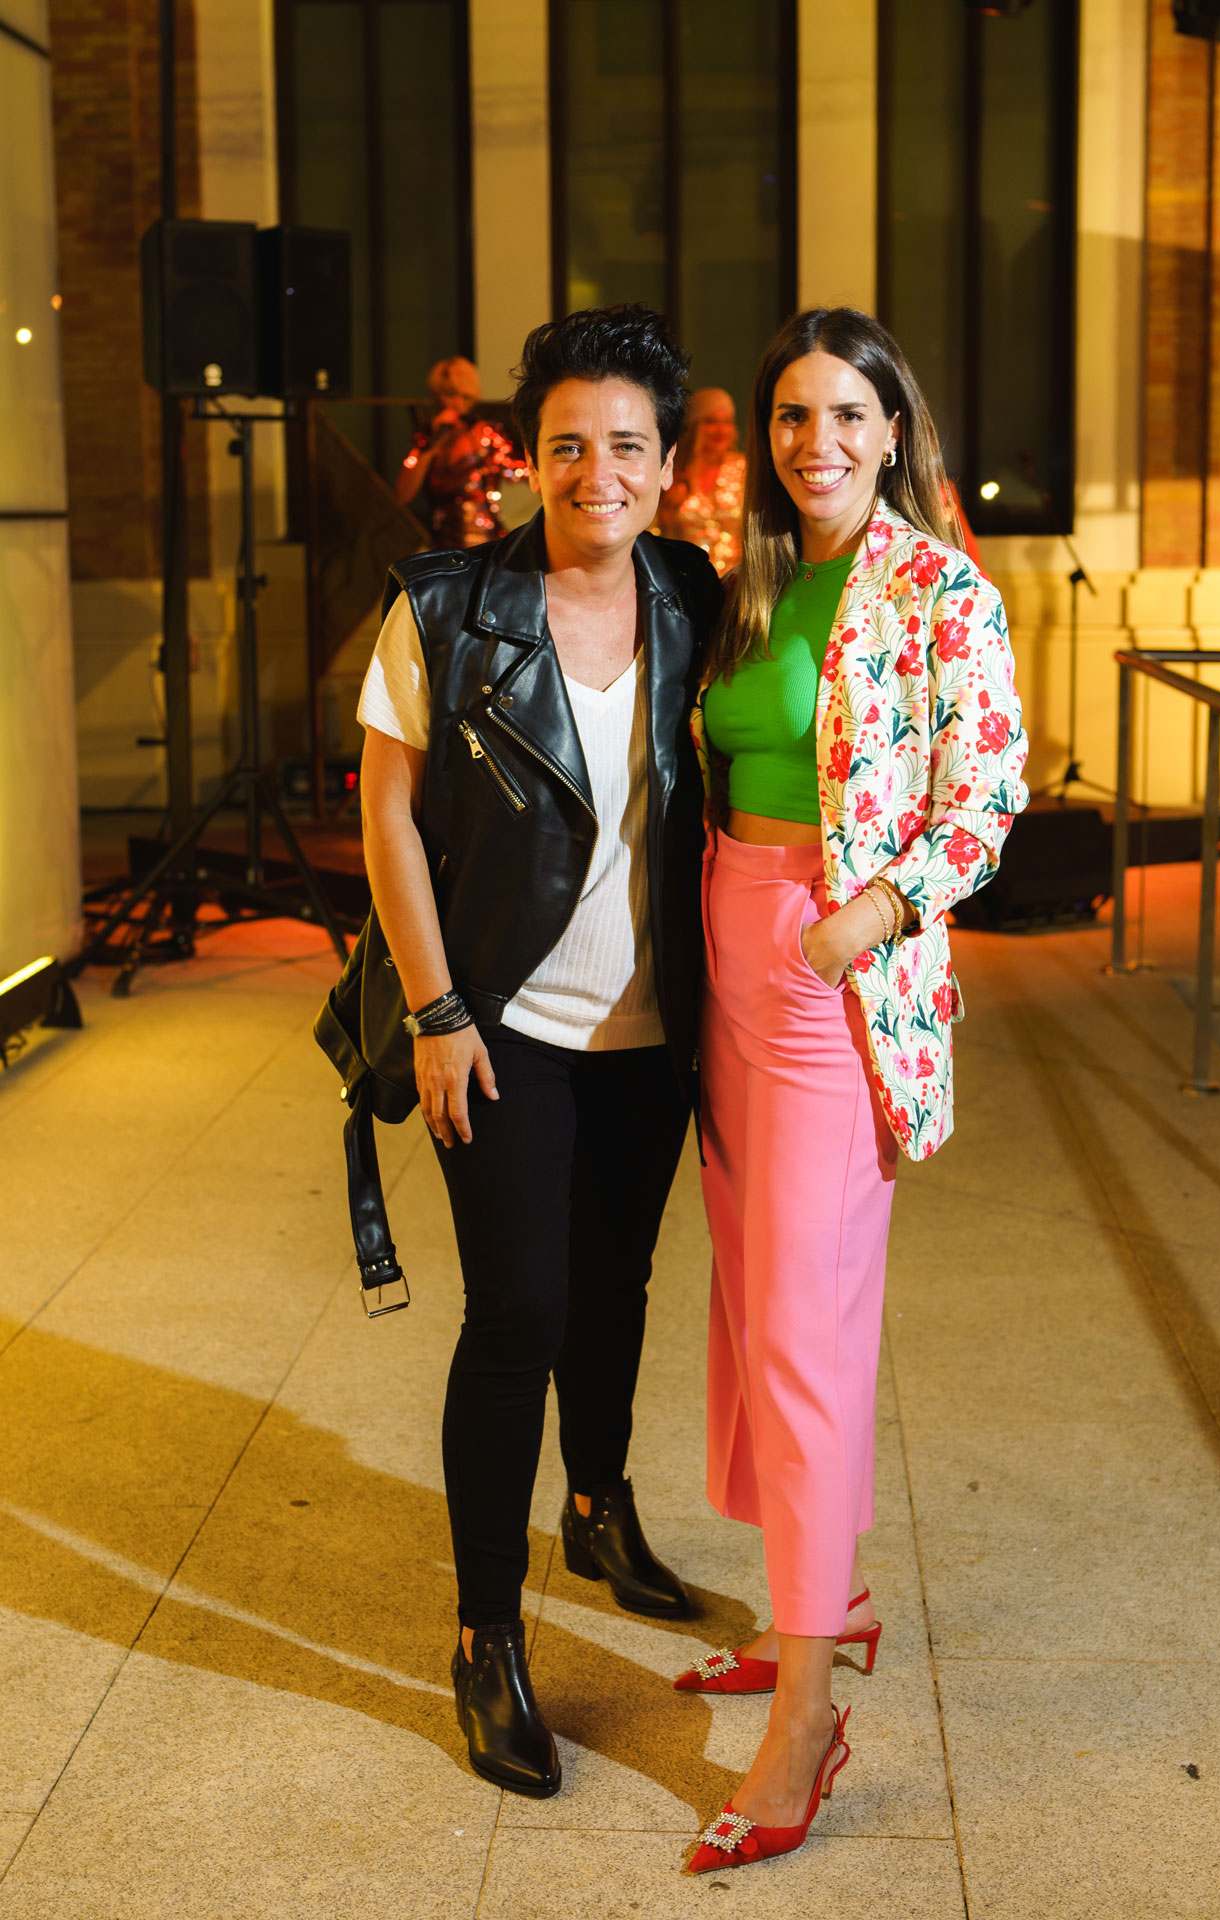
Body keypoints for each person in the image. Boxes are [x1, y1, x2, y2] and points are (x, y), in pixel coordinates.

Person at [677, 308, 1028, 1874]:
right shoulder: (752, 578)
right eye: (791, 415)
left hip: (830, 965)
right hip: (725, 951)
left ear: (894, 431)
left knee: (807, 1329)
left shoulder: (938, 586)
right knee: (751, 1303)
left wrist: (864, 917)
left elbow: (990, 791)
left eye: (845, 414)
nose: (815, 441)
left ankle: (808, 1715)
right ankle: (820, 1607)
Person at [357, 306, 722, 1800]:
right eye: (569, 445)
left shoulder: (693, 594)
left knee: (615, 1286)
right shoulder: (448, 607)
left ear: (667, 462)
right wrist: (438, 1013)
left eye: (627, 445)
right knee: (519, 1312)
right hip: (503, 1023)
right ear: (531, 456)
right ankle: (486, 1634)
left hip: (652, 1030)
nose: (598, 472)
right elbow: (386, 814)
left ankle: (597, 1504)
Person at [395, 355, 526, 548]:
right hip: (444, 543)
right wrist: (431, 445)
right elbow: (403, 494)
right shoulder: (427, 437)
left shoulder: (486, 433)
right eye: (450, 394)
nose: (457, 403)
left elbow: (522, 471)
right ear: (436, 395)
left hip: (488, 541)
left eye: (465, 397)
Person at [656, 386, 746, 575]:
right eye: (711, 421)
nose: (721, 430)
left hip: (736, 582)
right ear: (694, 425)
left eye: (727, 422)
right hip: (685, 580)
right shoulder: (673, 471)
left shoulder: (745, 470)